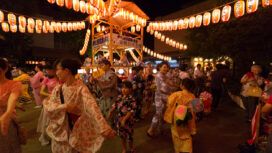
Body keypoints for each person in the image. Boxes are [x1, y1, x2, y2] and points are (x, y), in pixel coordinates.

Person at [43, 58, 115, 153]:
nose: (56, 73)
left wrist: (103, 127)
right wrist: (66, 107)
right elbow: (48, 107)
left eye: (58, 69)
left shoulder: (81, 88)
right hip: (61, 133)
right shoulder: (58, 89)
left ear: (66, 70)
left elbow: (92, 106)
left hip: (75, 131)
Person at [164, 78, 196, 153]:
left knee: (176, 133)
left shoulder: (176, 94)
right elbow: (194, 108)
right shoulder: (192, 96)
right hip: (188, 116)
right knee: (187, 133)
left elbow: (169, 103)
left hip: (178, 114)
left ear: (182, 86)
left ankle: (178, 150)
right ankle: (187, 149)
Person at [0, 58, 22, 153]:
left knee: (9, 147)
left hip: (7, 122)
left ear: (5, 70)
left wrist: (7, 113)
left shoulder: (14, 84)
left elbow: (12, 99)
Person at [107, 81, 137, 153]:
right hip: (119, 121)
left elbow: (131, 111)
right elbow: (115, 105)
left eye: (126, 88)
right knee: (122, 136)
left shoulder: (132, 99)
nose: (124, 89)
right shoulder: (119, 97)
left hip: (129, 121)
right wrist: (110, 112)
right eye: (123, 87)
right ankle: (124, 148)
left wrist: (124, 119)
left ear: (130, 89)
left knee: (130, 137)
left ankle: (131, 148)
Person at [147, 61, 175, 137]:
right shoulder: (159, 75)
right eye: (164, 67)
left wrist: (172, 87)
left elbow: (171, 84)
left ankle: (160, 129)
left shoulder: (165, 75)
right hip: (160, 97)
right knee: (158, 114)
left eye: (167, 67)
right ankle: (151, 129)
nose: (166, 69)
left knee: (162, 114)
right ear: (160, 67)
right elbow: (164, 88)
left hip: (165, 97)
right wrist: (171, 89)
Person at [37, 63, 60, 146]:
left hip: (59, 101)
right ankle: (44, 137)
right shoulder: (46, 79)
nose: (48, 72)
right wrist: (51, 95)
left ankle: (56, 136)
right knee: (46, 121)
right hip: (50, 101)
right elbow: (42, 92)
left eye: (49, 70)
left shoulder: (60, 78)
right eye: (47, 70)